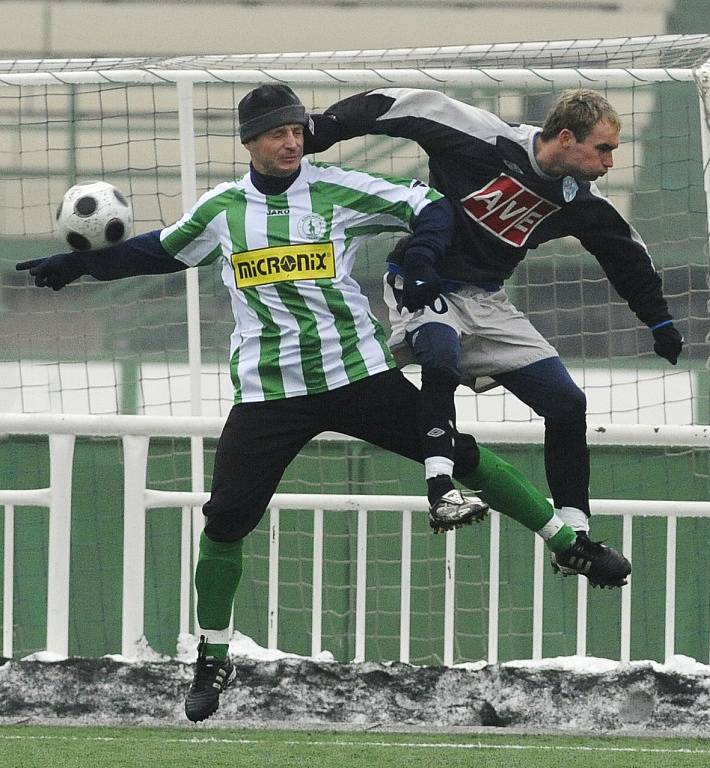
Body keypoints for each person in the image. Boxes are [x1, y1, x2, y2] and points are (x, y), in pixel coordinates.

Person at [17, 84, 630, 724]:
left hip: (356, 374)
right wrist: (78, 265)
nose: (290, 141)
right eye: (276, 133)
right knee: (225, 522)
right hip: (270, 395)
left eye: (295, 131)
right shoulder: (224, 209)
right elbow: (160, 250)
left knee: (460, 454)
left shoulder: (340, 188)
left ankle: (569, 542)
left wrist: (422, 254)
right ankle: (212, 657)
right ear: (250, 142)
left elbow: (430, 206)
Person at [306, 87, 683, 566]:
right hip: (423, 280)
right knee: (438, 353)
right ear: (566, 138)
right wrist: (326, 128)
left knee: (568, 404)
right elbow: (404, 105)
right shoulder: (486, 140)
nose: (610, 161)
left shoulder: (580, 199)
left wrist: (660, 321)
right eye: (603, 148)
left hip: (486, 300)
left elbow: (625, 255)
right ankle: (441, 489)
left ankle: (577, 535)